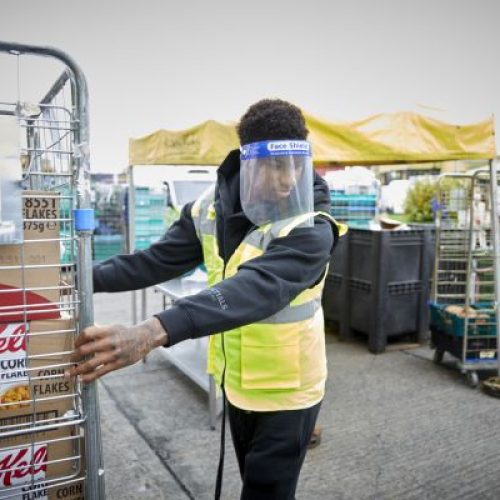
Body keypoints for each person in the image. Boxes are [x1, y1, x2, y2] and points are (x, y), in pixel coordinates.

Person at [66, 98, 346, 500]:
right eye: (275, 165)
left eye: (297, 164)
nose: (289, 179)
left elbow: (257, 286)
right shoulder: (208, 209)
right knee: (253, 478)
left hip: (289, 390)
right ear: (247, 160)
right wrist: (75, 278)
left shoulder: (312, 225)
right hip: (236, 383)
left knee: (267, 491)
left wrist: (153, 330)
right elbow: (154, 262)